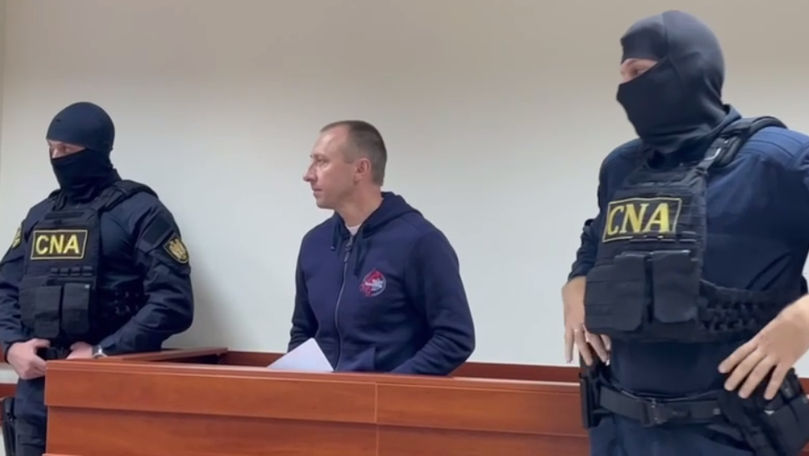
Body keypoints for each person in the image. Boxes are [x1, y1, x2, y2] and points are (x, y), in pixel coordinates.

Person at [562, 10, 809, 456]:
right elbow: (596, 241)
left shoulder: (780, 161)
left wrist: (804, 320)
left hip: (731, 433)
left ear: (688, 67)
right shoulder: (622, 167)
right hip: (620, 429)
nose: (626, 89)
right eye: (623, 75)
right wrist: (576, 284)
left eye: (639, 72)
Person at [0, 102, 194, 456]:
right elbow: (6, 288)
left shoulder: (140, 212)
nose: (56, 158)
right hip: (37, 389)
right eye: (51, 148)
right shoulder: (39, 216)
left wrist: (104, 352)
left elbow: (173, 302)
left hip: (112, 388)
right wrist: (12, 346)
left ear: (96, 150)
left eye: (66, 149)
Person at [289, 120, 475, 375]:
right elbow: (303, 332)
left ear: (360, 169)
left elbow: (454, 338)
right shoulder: (315, 243)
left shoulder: (419, 242)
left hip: (390, 398)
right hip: (326, 397)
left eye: (322, 162)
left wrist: (387, 389)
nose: (308, 174)